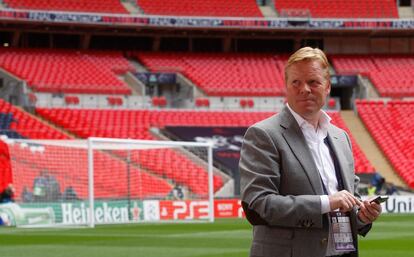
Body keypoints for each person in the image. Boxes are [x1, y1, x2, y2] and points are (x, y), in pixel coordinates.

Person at [239, 47, 382, 257]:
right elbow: (259, 205)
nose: (304, 89)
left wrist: (362, 216)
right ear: (286, 87)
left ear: (327, 87)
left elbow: (350, 201)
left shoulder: (341, 137)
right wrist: (327, 202)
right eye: (296, 82)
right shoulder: (263, 134)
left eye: (313, 82)